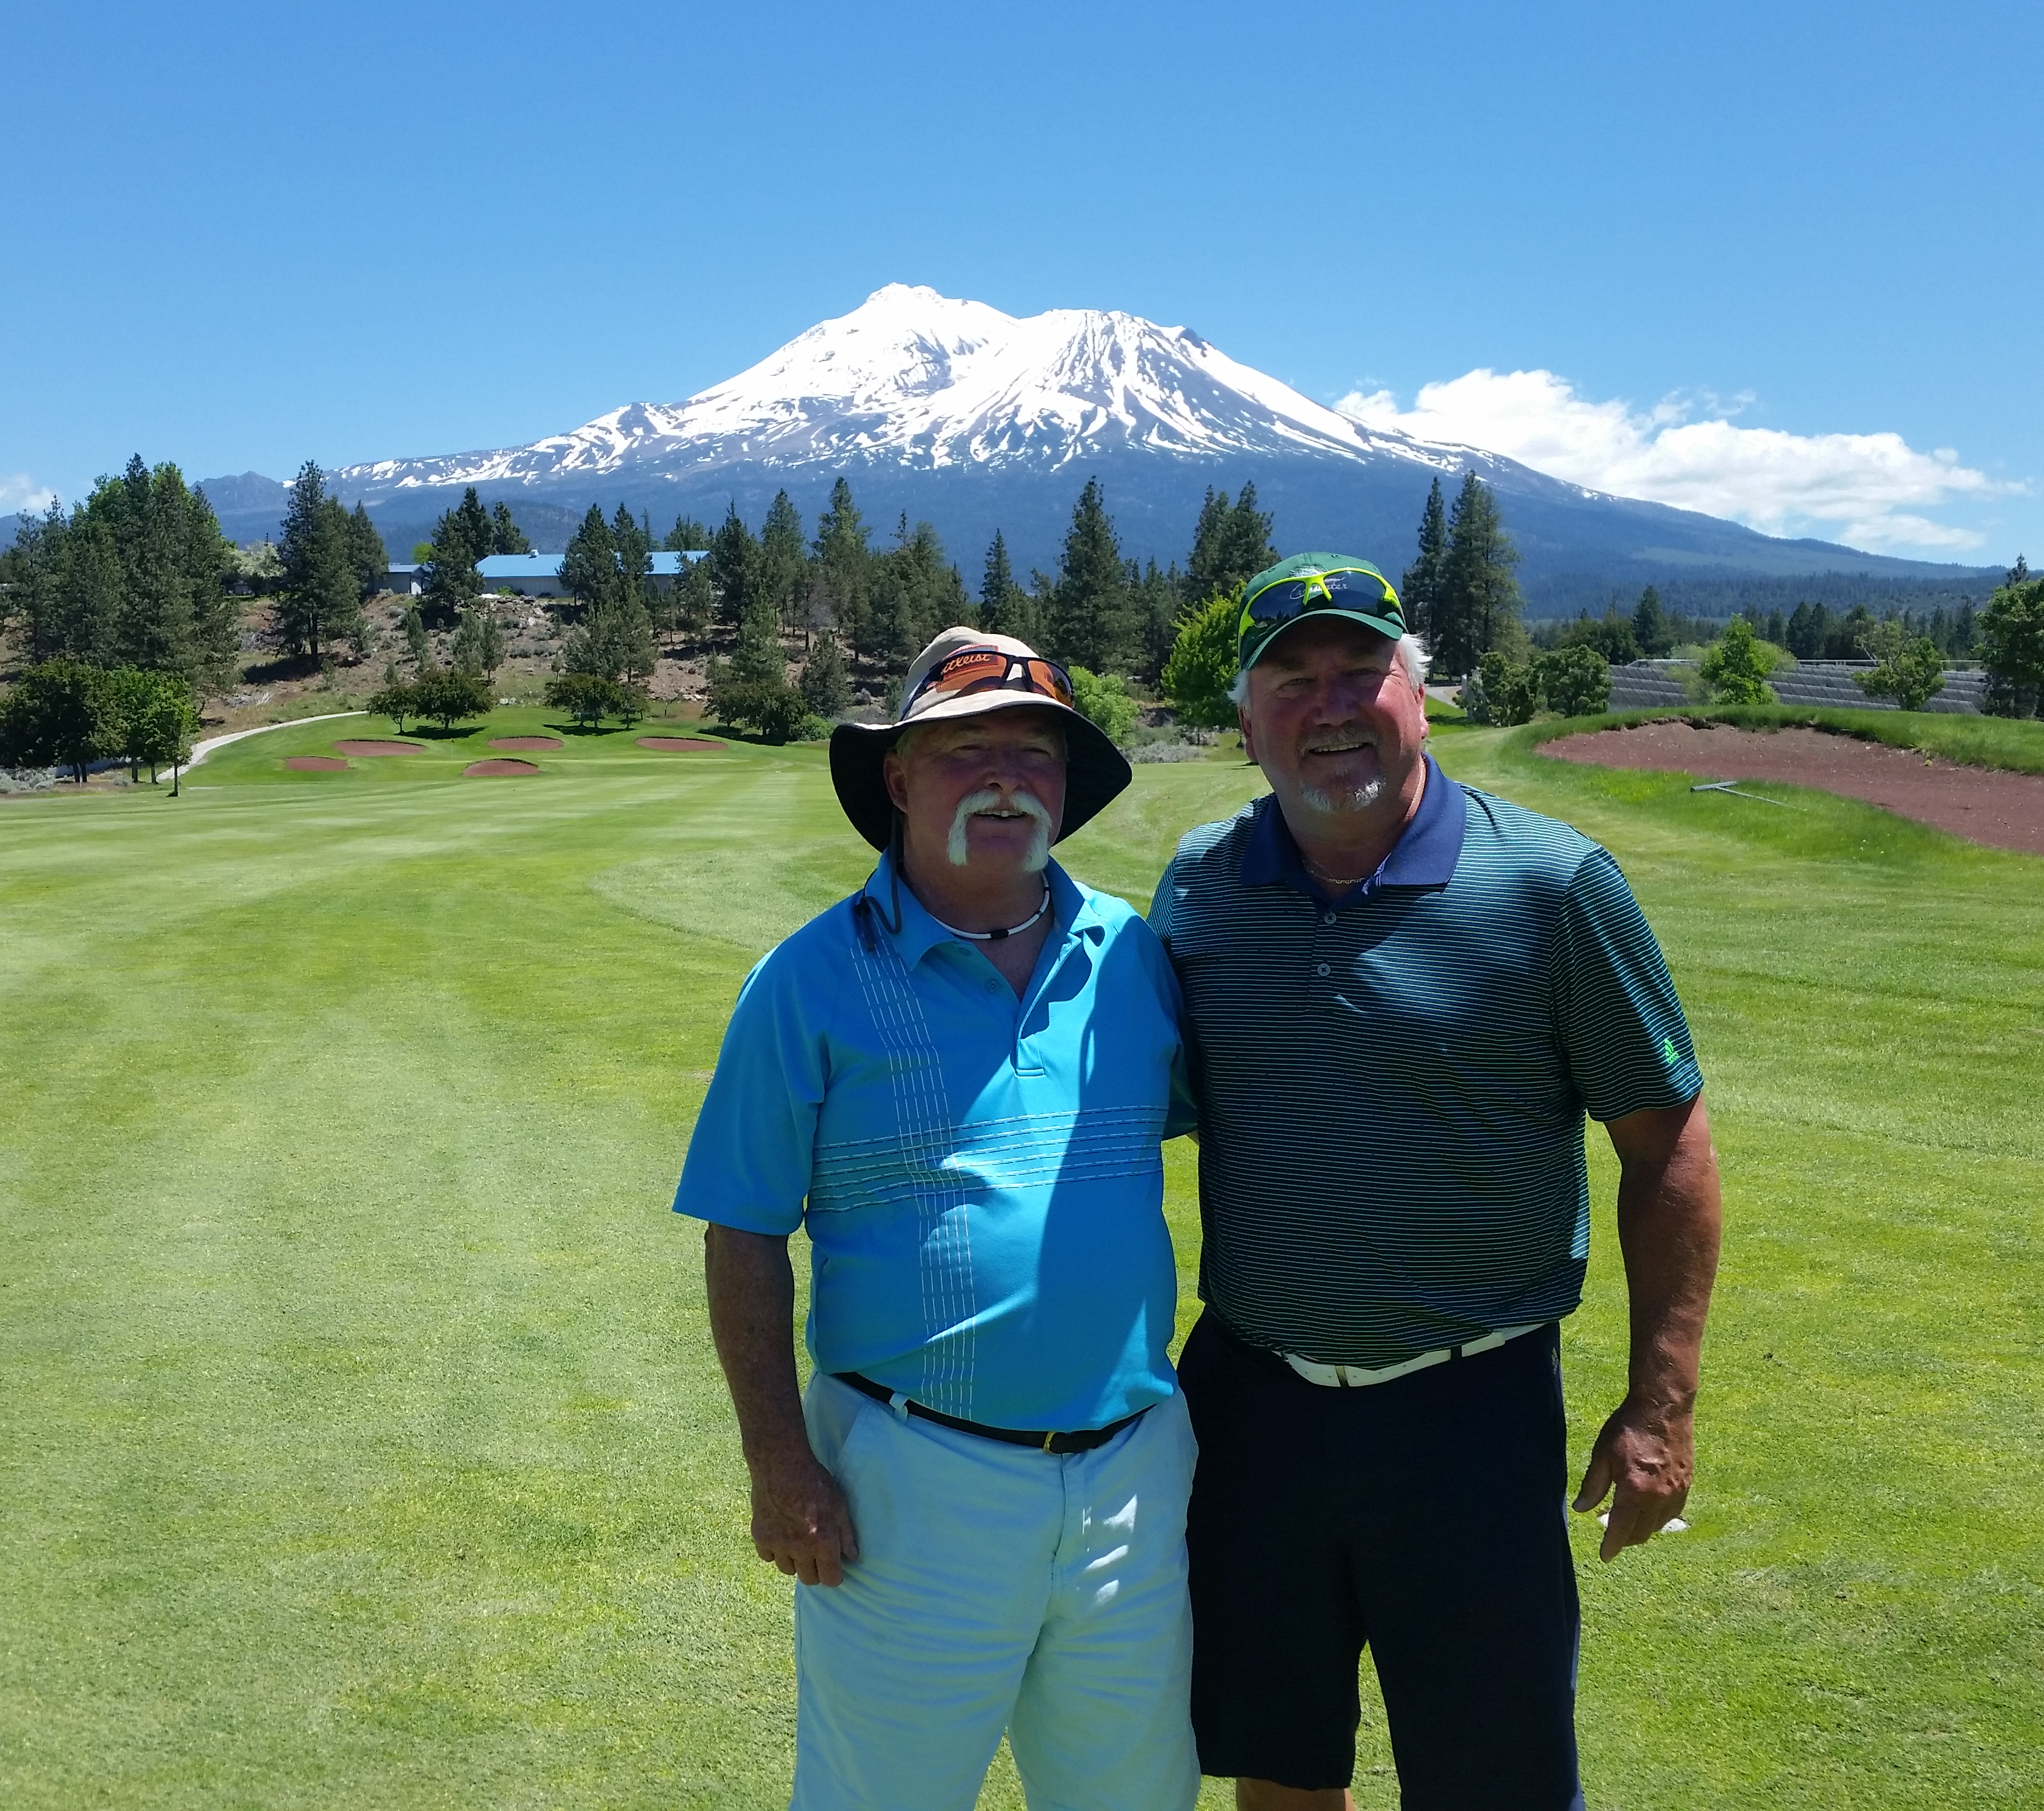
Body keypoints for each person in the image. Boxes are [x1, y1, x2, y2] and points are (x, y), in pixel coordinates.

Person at [1150, 555, 1724, 1810]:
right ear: (1245, 726)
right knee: (1279, 1764)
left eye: (1362, 673)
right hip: (1252, 1407)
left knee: (1492, 1780)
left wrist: (1658, 1404)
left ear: (1421, 695)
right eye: (1291, 683)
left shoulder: (1551, 885)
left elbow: (1664, 1145)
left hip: (1468, 1418)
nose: (1331, 706)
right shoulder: (1199, 887)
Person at [673, 627, 1200, 1811]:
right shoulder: (805, 980)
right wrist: (777, 1465)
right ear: (900, 779)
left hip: (1131, 1477)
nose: (1007, 777)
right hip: (910, 1487)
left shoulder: (1134, 957)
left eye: (1034, 751)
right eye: (967, 752)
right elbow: (742, 1232)